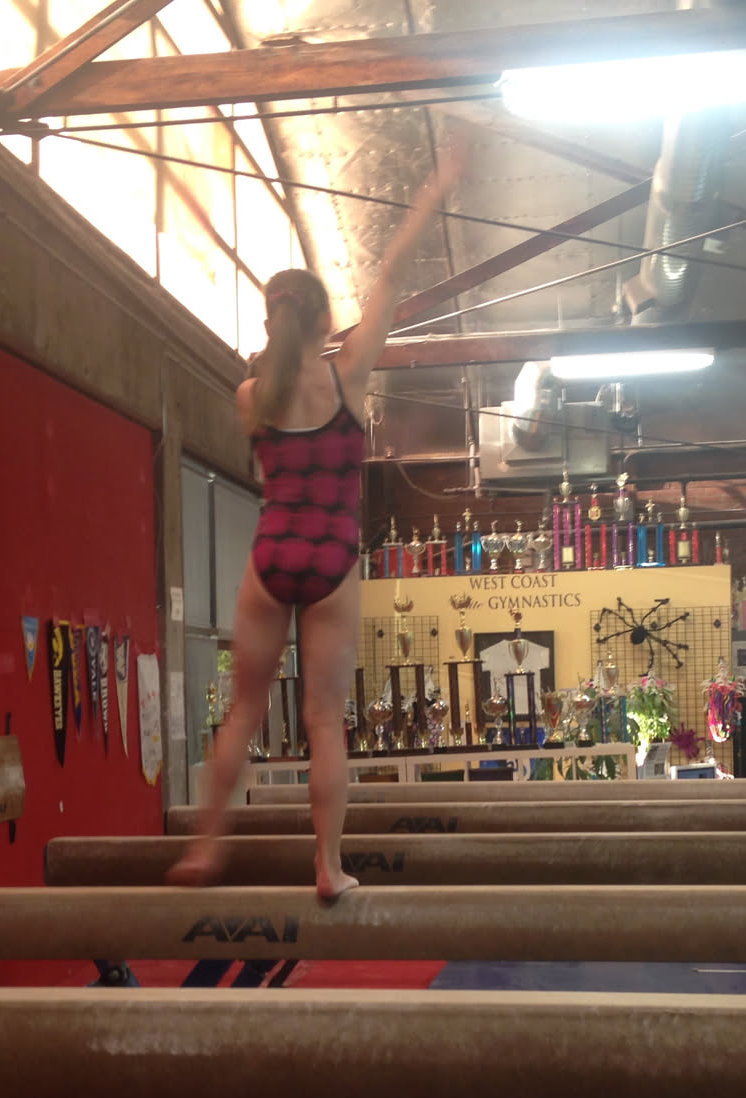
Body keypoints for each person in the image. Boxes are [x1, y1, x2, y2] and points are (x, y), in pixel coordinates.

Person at [169, 143, 466, 900]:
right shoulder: (347, 376)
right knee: (324, 722)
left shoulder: (251, 397)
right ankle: (329, 866)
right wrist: (437, 184)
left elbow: (266, 408)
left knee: (244, 710)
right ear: (323, 320)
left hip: (273, 553)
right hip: (332, 554)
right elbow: (391, 275)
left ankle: (204, 849)